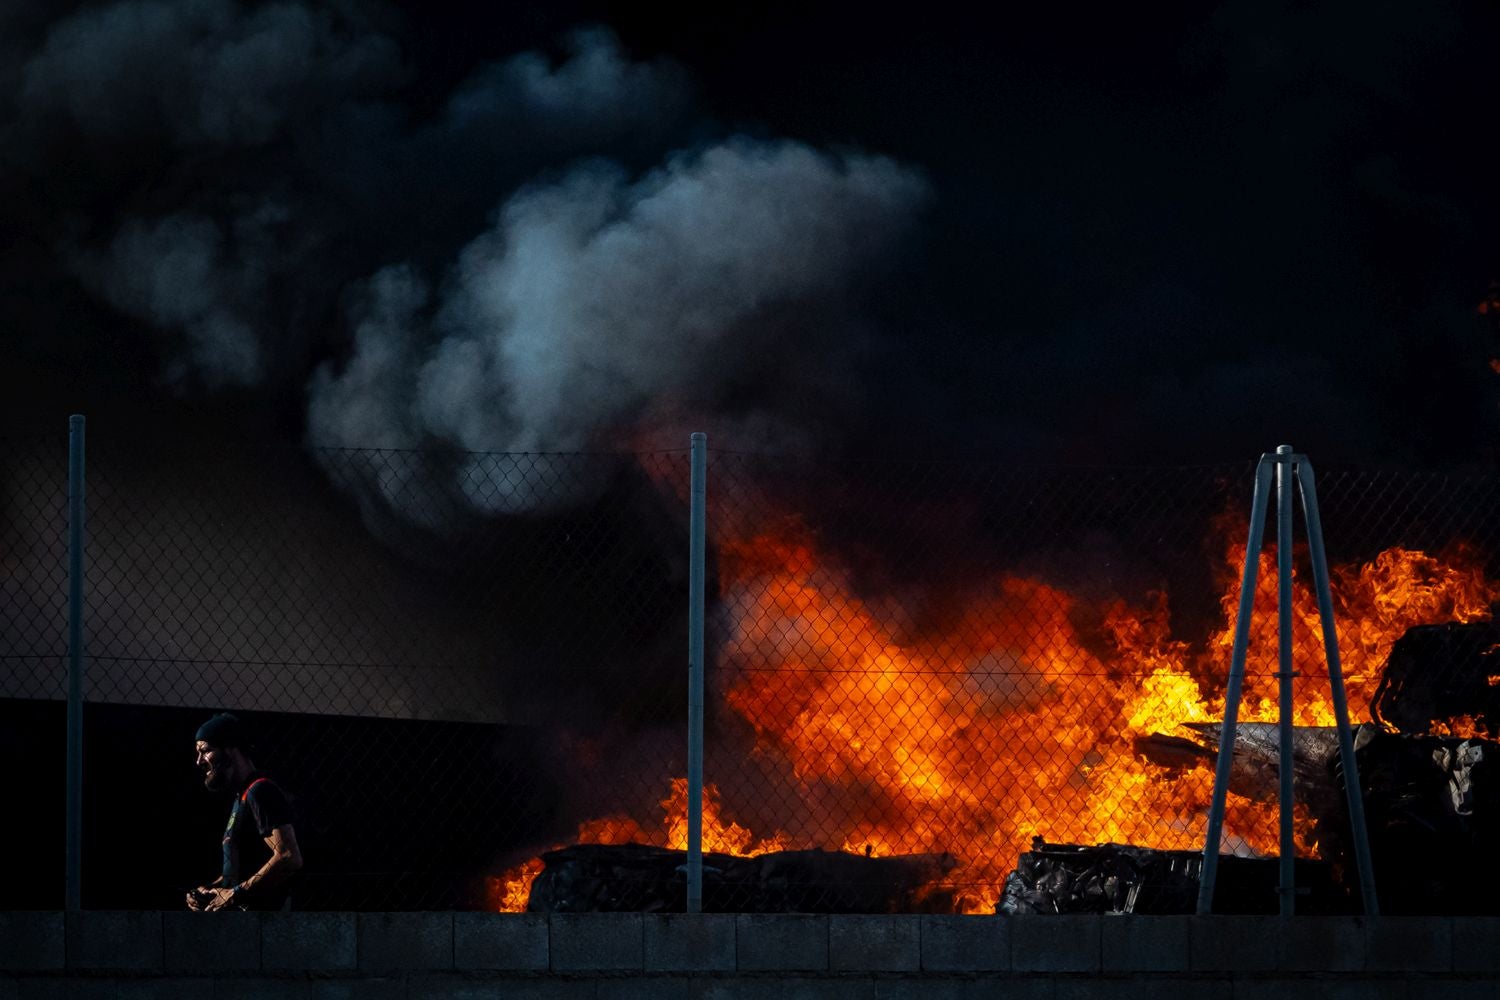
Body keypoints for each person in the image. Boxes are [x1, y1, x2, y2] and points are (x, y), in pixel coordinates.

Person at [186, 712, 303, 912]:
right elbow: (240, 875)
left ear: (230, 749)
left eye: (205, 750)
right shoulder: (242, 797)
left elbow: (288, 857)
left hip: (269, 926)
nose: (199, 761)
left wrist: (237, 894)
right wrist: (212, 889)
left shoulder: (260, 790)